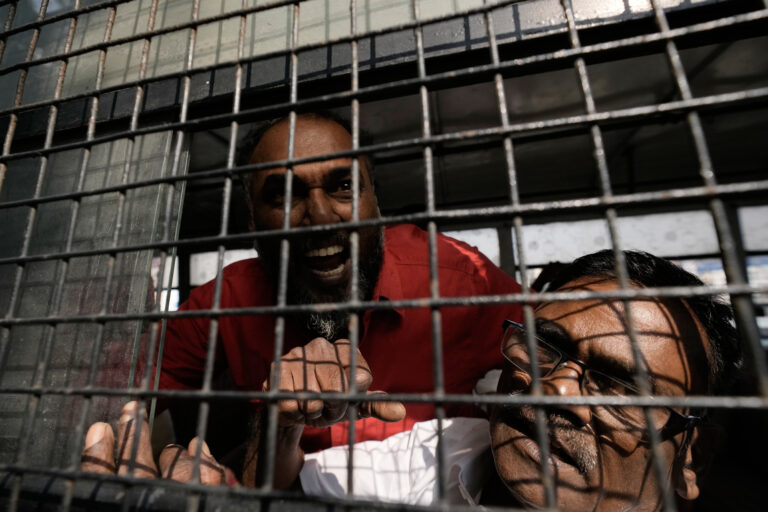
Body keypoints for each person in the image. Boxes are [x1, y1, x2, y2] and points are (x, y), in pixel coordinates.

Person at [82, 250, 742, 511]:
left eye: (622, 388)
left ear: (692, 459)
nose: (557, 390)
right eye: (544, 350)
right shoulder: (443, 449)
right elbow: (281, 489)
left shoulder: (460, 281)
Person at [145, 111, 523, 462]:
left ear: (375, 204)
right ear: (252, 221)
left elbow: (552, 341)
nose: (322, 218)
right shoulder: (227, 301)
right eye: (284, 195)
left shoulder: (456, 277)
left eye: (344, 186)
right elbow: (129, 389)